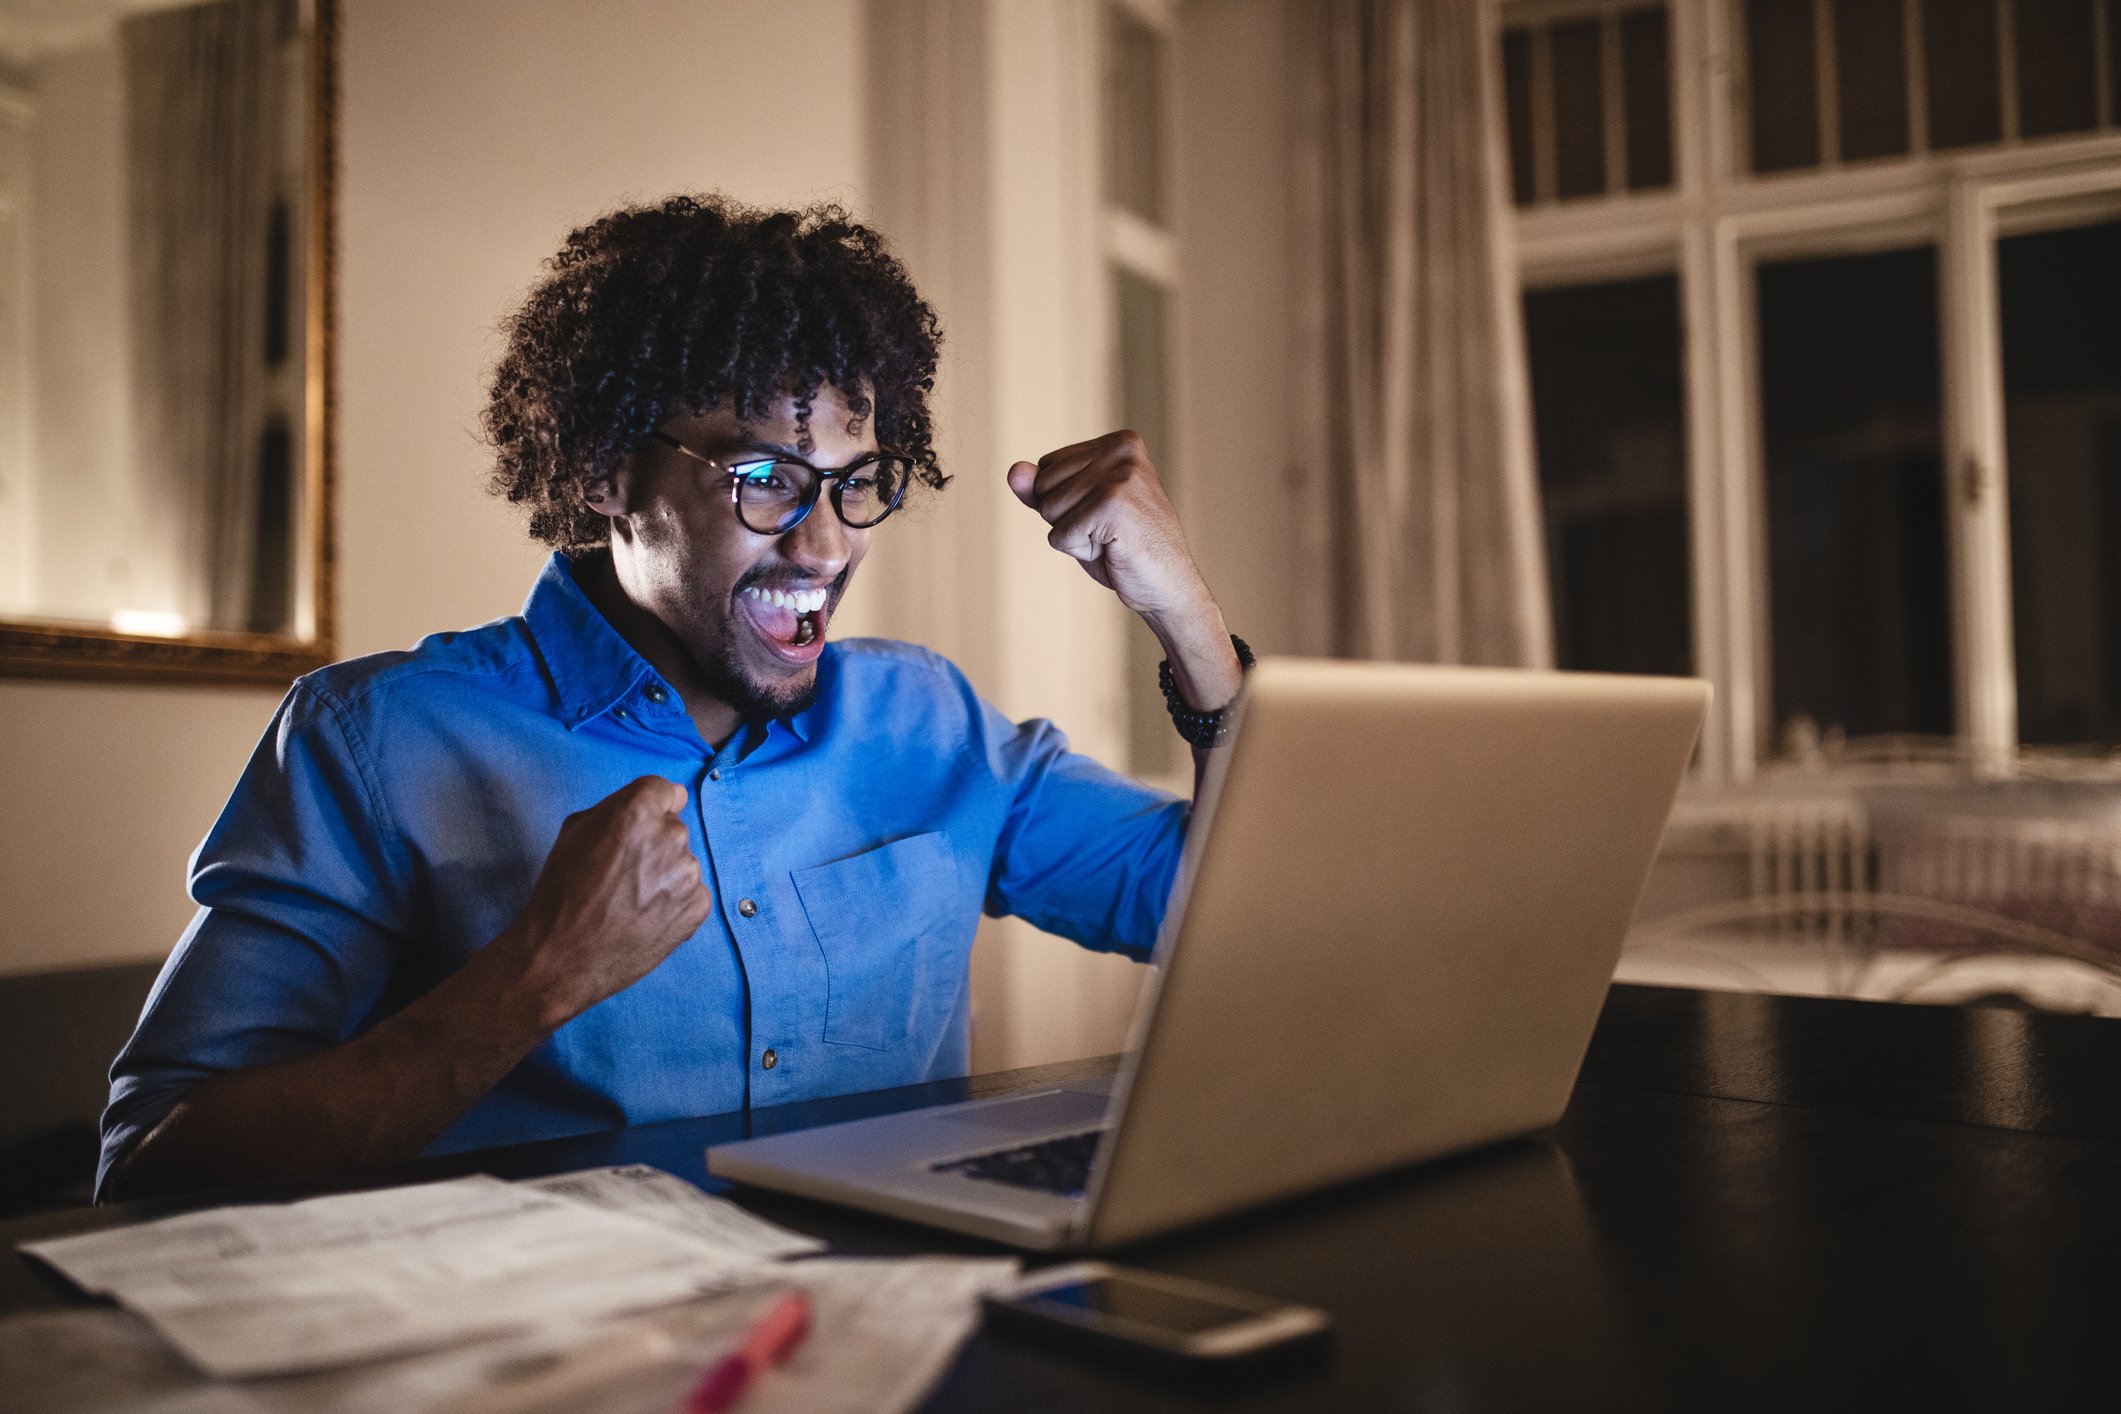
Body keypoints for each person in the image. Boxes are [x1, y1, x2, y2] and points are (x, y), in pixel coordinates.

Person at [98, 195, 1243, 1201]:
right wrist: (527, 982)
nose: (828, 541)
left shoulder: (929, 723)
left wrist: (1184, 615)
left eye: (857, 484)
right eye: (764, 480)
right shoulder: (379, 742)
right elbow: (154, 1168)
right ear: (605, 473)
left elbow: (1236, 914)